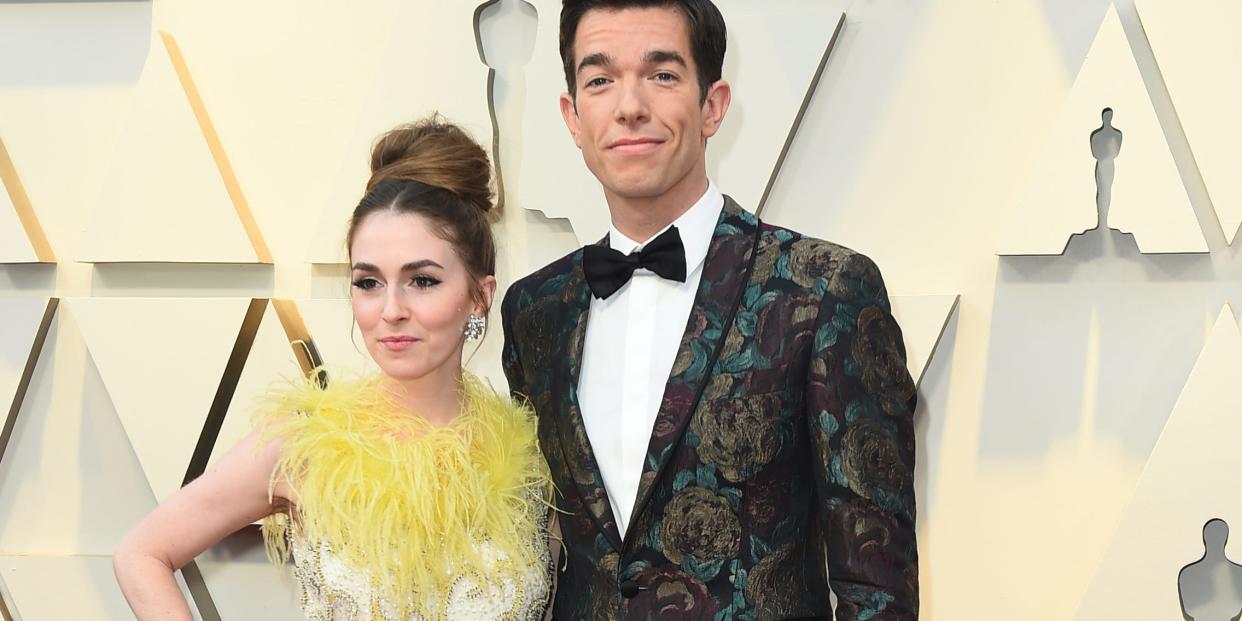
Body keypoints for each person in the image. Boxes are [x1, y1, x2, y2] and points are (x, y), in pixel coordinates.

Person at [500, 1, 919, 618]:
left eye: (662, 74)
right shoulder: (535, 309)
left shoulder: (823, 289)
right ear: (572, 115)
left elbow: (876, 586)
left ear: (713, 105)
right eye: (599, 79)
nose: (629, 105)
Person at [113, 117, 556, 620]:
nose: (391, 309)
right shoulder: (307, 448)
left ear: (480, 295)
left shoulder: (530, 459)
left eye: (423, 281)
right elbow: (141, 553)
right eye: (369, 282)